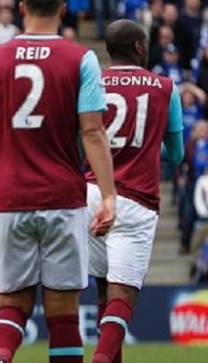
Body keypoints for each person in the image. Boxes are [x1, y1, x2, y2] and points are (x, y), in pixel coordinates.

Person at [0, 0, 116, 363]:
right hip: (62, 198)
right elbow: (93, 131)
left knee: (11, 303)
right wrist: (109, 195)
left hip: (10, 199)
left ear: (22, 8)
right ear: (64, 10)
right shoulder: (81, 59)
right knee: (63, 312)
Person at [87, 19, 184, 363]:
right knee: (123, 294)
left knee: (102, 288)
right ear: (140, 48)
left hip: (90, 195)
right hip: (134, 199)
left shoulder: (91, 81)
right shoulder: (165, 87)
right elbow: (177, 154)